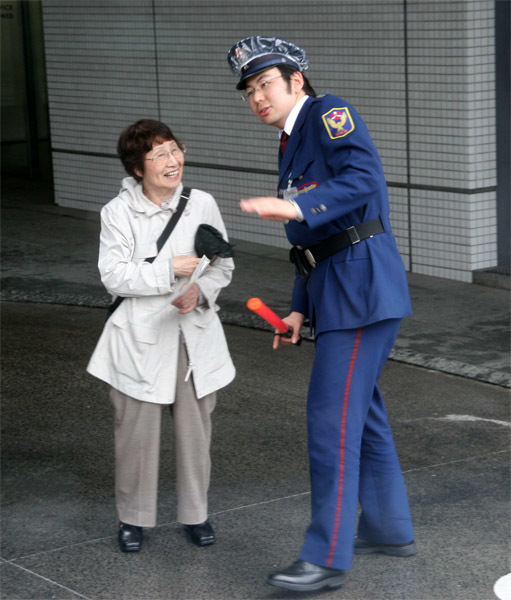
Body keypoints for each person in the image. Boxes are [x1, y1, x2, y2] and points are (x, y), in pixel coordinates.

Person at [227, 36, 416, 592]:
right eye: (248, 90)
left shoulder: (330, 114)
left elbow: (364, 183)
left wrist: (293, 204)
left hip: (361, 292)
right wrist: (296, 309)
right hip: (338, 290)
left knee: (329, 422)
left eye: (265, 83)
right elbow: (315, 242)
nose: (256, 96)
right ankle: (388, 528)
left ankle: (326, 556)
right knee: (364, 414)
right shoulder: (291, 141)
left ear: (296, 82)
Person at [87, 119, 235, 553]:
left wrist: (200, 291)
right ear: (138, 168)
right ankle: (132, 519)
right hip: (138, 337)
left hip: (193, 336)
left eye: (175, 150)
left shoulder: (201, 203)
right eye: (160, 155)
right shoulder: (117, 213)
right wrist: (170, 270)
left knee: (196, 435)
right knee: (135, 436)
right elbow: (113, 276)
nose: (173, 162)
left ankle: (196, 514)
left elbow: (223, 263)